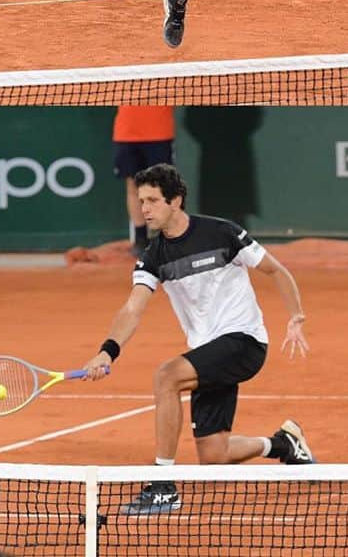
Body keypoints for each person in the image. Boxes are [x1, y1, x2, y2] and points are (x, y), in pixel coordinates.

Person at [80, 164, 314, 515]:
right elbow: (133, 307)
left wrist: (296, 317)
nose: (144, 209)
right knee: (213, 455)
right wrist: (107, 352)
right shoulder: (153, 255)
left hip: (244, 341)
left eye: (152, 201)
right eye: (141, 201)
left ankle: (162, 487)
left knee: (167, 376)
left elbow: (275, 270)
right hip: (208, 351)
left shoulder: (223, 233)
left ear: (175, 201)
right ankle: (282, 444)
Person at [112, 105, 176, 254]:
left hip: (160, 132)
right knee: (133, 186)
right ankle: (141, 239)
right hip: (126, 132)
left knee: (162, 187)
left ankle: (167, 236)